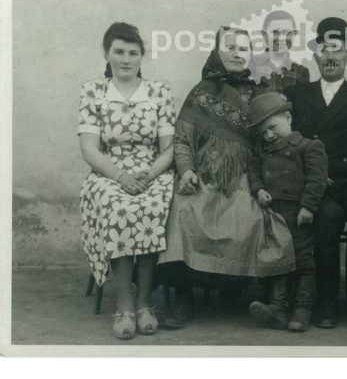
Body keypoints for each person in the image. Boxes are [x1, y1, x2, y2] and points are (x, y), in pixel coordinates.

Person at [157, 27, 295, 326]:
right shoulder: (201, 92)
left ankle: (233, 290)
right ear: (217, 51)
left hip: (244, 176)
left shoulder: (259, 93)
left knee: (253, 218)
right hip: (203, 175)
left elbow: (271, 139)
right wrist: (188, 171)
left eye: (243, 49)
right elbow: (182, 139)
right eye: (230, 47)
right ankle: (184, 298)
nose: (236, 53)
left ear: (250, 55)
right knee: (183, 212)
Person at [284, 17, 347, 336]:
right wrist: (308, 177)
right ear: (315, 56)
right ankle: (325, 301)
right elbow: (292, 142)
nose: (329, 56)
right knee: (325, 217)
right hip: (316, 183)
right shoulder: (298, 94)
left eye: (337, 50)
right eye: (323, 49)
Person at [78, 22, 176, 340]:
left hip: (153, 170)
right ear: (107, 54)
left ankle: (145, 302)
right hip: (108, 171)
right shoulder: (93, 91)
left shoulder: (159, 92)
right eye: (119, 52)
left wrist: (149, 175)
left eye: (133, 53)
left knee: (153, 205)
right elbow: (89, 149)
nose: (126, 59)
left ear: (141, 57)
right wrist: (119, 176)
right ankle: (124, 304)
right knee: (118, 204)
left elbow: (169, 149)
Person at [246, 92, 328, 331]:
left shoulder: (308, 146)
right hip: (274, 214)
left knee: (302, 260)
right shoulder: (262, 151)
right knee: (278, 259)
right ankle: (277, 308)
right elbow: (254, 170)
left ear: (288, 117)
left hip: (298, 213)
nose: (269, 136)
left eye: (272, 127)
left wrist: (308, 207)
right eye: (263, 133)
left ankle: (302, 310)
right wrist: (259, 189)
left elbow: (317, 179)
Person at [252, 10, 310, 92]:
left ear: (294, 35)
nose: (282, 38)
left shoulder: (300, 71)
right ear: (264, 34)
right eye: (275, 32)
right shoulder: (252, 64)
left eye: (288, 33)